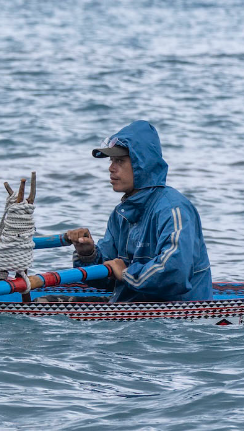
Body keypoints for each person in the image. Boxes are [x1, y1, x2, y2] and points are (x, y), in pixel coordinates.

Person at [65, 120, 212, 302]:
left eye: (119, 161)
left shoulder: (173, 209)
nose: (111, 168)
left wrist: (126, 272)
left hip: (178, 314)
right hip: (132, 309)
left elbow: (176, 273)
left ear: (142, 164)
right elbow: (106, 278)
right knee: (43, 303)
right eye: (111, 161)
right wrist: (87, 255)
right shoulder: (121, 215)